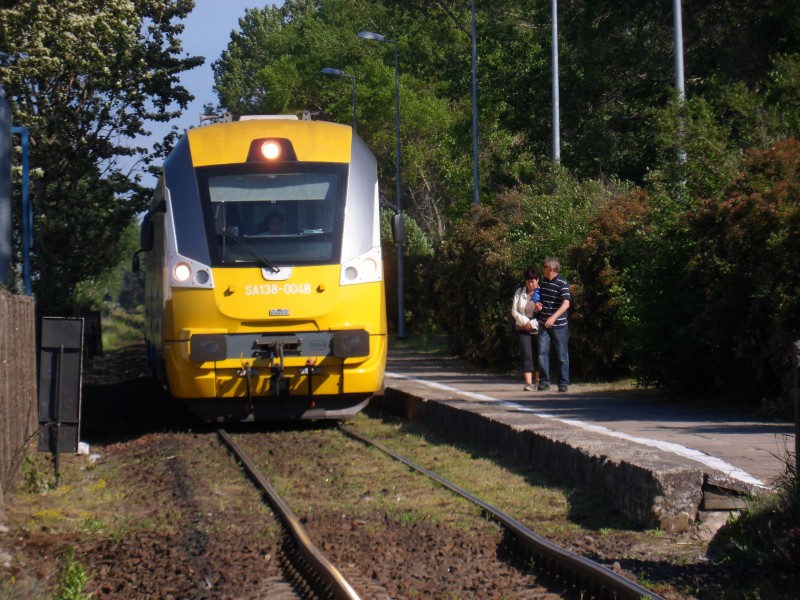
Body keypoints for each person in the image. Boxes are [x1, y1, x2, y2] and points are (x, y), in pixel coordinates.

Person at [537, 257, 571, 392]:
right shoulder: (544, 284)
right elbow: (543, 301)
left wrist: (554, 317)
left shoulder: (562, 283)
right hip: (543, 323)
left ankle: (563, 383)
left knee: (562, 355)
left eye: (544, 267)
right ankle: (544, 382)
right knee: (542, 353)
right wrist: (539, 306)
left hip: (559, 325)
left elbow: (566, 303)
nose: (543, 270)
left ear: (551, 268)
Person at [511, 267, 542, 391]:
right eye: (528, 281)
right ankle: (528, 383)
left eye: (533, 281)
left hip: (538, 327)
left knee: (539, 353)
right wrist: (525, 322)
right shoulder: (520, 292)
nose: (531, 284)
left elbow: (545, 312)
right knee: (527, 353)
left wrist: (534, 321)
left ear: (537, 280)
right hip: (523, 327)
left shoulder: (542, 292)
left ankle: (539, 381)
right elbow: (514, 310)